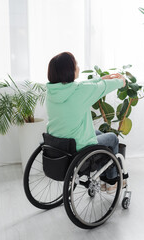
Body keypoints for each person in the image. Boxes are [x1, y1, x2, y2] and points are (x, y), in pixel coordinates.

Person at [46, 52, 126, 193]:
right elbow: (103, 87)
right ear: (69, 70)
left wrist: (99, 79)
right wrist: (121, 81)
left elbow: (80, 85)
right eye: (75, 64)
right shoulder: (80, 92)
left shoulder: (52, 92)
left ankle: (103, 176)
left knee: (99, 133)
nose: (78, 66)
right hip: (78, 148)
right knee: (112, 139)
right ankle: (111, 181)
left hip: (58, 144)